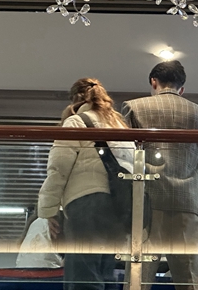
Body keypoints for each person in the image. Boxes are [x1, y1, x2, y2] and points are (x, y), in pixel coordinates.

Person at [121, 60, 198, 290]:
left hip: (146, 202)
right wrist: (194, 187)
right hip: (188, 202)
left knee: (138, 278)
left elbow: (124, 158)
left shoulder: (133, 107)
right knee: (193, 279)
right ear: (181, 88)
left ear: (153, 82)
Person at [38, 78, 135, 290]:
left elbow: (58, 169)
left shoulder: (76, 122)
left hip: (86, 205)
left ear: (75, 99)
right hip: (119, 208)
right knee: (106, 276)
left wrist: (48, 211)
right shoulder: (119, 126)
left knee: (82, 277)